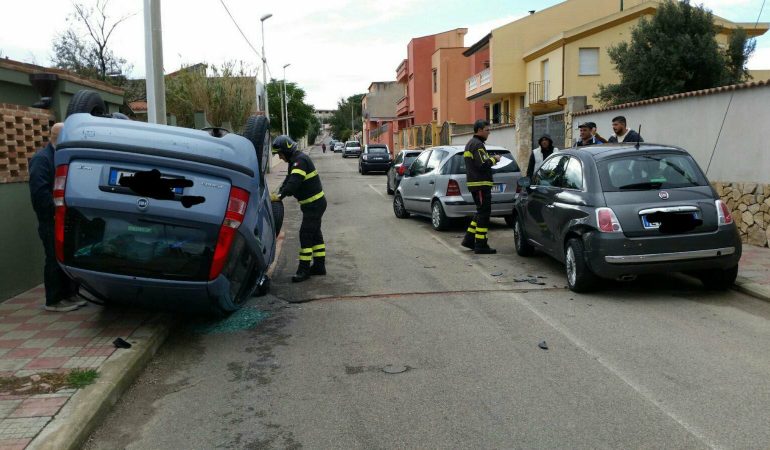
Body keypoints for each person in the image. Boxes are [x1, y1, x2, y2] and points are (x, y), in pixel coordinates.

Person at [28, 123, 86, 312]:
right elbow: (39, 193)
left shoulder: (61, 157)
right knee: (53, 257)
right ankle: (53, 299)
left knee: (67, 256)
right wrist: (55, 211)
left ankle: (69, 294)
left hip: (65, 216)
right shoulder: (42, 159)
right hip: (51, 219)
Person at [271, 135, 327, 282]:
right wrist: (278, 193)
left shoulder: (299, 161)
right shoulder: (295, 161)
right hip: (313, 204)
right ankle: (319, 266)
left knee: (305, 235)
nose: (280, 157)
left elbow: (293, 183)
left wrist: (280, 196)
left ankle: (304, 270)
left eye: (280, 154)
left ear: (287, 151)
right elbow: (288, 180)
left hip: (314, 205)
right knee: (315, 234)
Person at [461, 120, 500, 254]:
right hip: (481, 185)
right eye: (487, 130)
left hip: (476, 184)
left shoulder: (471, 143)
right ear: (479, 130)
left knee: (480, 212)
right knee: (484, 214)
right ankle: (481, 244)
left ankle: (469, 240)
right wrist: (495, 159)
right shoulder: (477, 145)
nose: (489, 132)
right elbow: (483, 164)